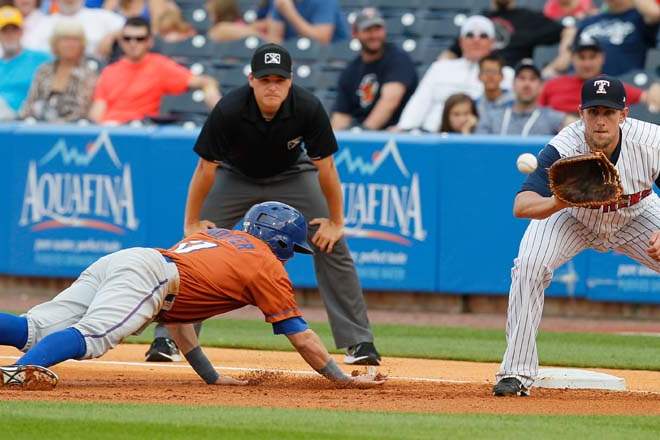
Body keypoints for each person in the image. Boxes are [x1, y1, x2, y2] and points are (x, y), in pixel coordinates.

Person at [145, 43, 382, 367]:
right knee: (196, 247)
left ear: (290, 81)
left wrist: (335, 221)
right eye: (265, 79)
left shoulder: (307, 107)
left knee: (331, 243)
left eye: (279, 80)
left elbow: (326, 168)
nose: (273, 86)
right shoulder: (230, 108)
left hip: (291, 174)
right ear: (252, 79)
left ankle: (359, 342)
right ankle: (168, 338)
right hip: (234, 174)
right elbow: (205, 169)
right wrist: (192, 223)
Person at [0, 201, 385, 390]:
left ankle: (26, 360)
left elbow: (177, 317)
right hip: (153, 276)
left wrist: (210, 376)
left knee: (33, 328)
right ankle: (19, 373)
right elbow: (302, 336)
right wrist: (342, 380)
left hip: (134, 261)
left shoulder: (216, 236)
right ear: (281, 241)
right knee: (95, 335)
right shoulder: (267, 264)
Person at [492, 75, 660, 397]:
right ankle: (516, 373)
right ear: (581, 112)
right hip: (573, 216)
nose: (600, 120)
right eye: (593, 111)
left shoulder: (652, 141)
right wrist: (559, 201)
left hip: (637, 212)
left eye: (608, 112)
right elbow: (521, 205)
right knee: (528, 265)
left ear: (623, 114)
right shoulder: (563, 146)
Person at [88, 16, 220, 124]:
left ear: (149, 41)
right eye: (127, 38)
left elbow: (205, 82)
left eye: (140, 39)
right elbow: (97, 111)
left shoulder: (160, 65)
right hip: (109, 131)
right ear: (121, 41)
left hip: (139, 131)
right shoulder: (109, 71)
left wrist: (213, 96)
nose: (133, 43)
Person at [397, 15, 514, 133]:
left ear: (492, 42)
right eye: (470, 35)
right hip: (432, 135)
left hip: (478, 136)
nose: (476, 40)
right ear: (461, 41)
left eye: (483, 36)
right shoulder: (440, 68)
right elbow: (420, 102)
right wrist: (403, 128)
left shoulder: (505, 73)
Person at [330, 7, 418, 131]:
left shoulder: (398, 59)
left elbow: (390, 101)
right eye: (367, 30)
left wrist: (364, 134)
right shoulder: (350, 71)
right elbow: (341, 115)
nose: (374, 35)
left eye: (378, 29)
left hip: (394, 135)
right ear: (355, 33)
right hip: (360, 134)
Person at [539, 36, 660, 115]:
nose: (587, 63)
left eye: (592, 57)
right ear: (572, 58)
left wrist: (655, 88)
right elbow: (536, 113)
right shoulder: (553, 85)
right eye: (582, 57)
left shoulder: (612, 86)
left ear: (602, 58)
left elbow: (648, 97)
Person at [441, 0, 575, 70]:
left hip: (512, 82)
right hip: (479, 78)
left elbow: (569, 30)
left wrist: (560, 61)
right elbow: (450, 52)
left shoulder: (528, 18)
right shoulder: (480, 20)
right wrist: (441, 68)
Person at [20, 19, 97, 122]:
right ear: (55, 43)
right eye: (65, 39)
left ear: (82, 44)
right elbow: (30, 102)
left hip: (72, 128)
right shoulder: (44, 69)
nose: (70, 44)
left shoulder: (89, 72)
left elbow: (83, 109)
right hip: (37, 126)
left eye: (75, 39)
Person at [567, 0, 660, 76]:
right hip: (583, 87)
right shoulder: (588, 21)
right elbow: (569, 57)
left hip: (624, 85)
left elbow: (655, 13)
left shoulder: (638, 18)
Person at [476, 59, 568, 136]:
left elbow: (576, 128)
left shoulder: (552, 118)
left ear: (541, 86)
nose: (527, 84)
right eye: (522, 78)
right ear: (513, 84)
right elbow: (478, 148)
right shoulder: (492, 117)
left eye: (532, 79)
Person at [0, 5, 51, 120]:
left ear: (21, 32)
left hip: (28, 117)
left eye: (14, 30)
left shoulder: (41, 58)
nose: (10, 35)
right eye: (5, 31)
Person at [29, 0, 125, 60]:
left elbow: (132, 26)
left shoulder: (100, 16)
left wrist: (111, 36)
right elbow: (29, 50)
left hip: (95, 74)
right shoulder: (43, 23)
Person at [266, 0, 348, 45]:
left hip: (332, 59)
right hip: (294, 57)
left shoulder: (324, 1)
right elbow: (274, 40)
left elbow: (322, 40)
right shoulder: (282, 2)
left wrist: (289, 12)